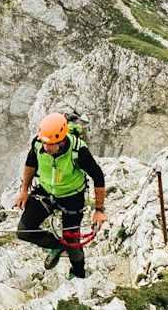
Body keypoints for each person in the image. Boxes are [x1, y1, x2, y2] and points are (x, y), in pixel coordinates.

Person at [13, 112, 107, 278]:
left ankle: (78, 273)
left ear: (62, 141)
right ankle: (56, 246)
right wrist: (24, 191)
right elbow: (30, 164)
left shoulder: (78, 151)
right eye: (44, 143)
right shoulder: (38, 144)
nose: (46, 147)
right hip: (45, 191)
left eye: (51, 144)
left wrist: (99, 210)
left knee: (72, 242)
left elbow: (98, 177)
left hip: (72, 197)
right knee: (24, 231)